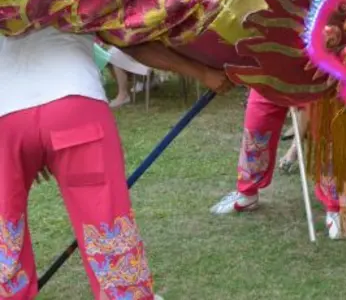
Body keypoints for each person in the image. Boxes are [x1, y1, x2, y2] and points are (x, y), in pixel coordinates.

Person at [0, 29, 216, 299]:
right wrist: (203, 73)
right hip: (75, 106)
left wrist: (33, 143)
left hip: (7, 117)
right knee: (104, 216)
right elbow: (130, 40)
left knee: (4, 226)